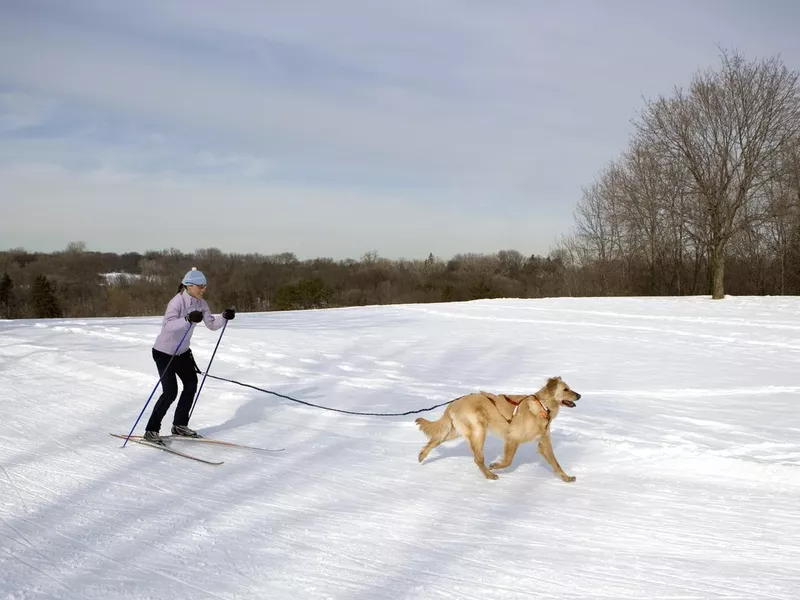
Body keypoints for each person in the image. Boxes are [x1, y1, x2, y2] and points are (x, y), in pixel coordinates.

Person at [143, 267, 235, 444]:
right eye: (200, 286)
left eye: (205, 286)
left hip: (183, 352)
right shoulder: (176, 302)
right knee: (170, 392)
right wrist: (187, 319)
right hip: (164, 352)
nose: (203, 289)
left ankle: (179, 425)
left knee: (191, 384)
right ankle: (151, 430)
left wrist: (224, 317)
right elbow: (168, 326)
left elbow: (212, 325)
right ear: (189, 286)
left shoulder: (202, 304)